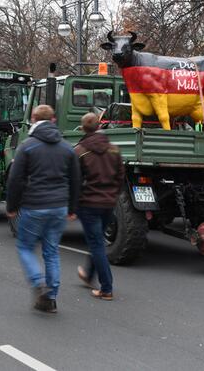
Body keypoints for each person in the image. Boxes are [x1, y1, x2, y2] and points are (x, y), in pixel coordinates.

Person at [6, 105, 80, 313]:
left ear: (33, 118)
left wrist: (12, 206)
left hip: (34, 205)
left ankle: (38, 282)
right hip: (59, 207)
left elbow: (16, 179)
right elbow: (76, 179)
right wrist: (73, 207)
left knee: (25, 247)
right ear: (54, 120)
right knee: (52, 251)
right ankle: (51, 296)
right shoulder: (67, 147)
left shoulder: (27, 146)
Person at [74, 113, 124, 300]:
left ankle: (106, 288)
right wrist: (113, 195)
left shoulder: (79, 150)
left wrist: (73, 205)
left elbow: (75, 181)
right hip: (108, 202)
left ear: (83, 128)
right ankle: (88, 274)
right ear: (99, 126)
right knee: (97, 240)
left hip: (88, 204)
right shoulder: (114, 149)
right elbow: (120, 176)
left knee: (96, 243)